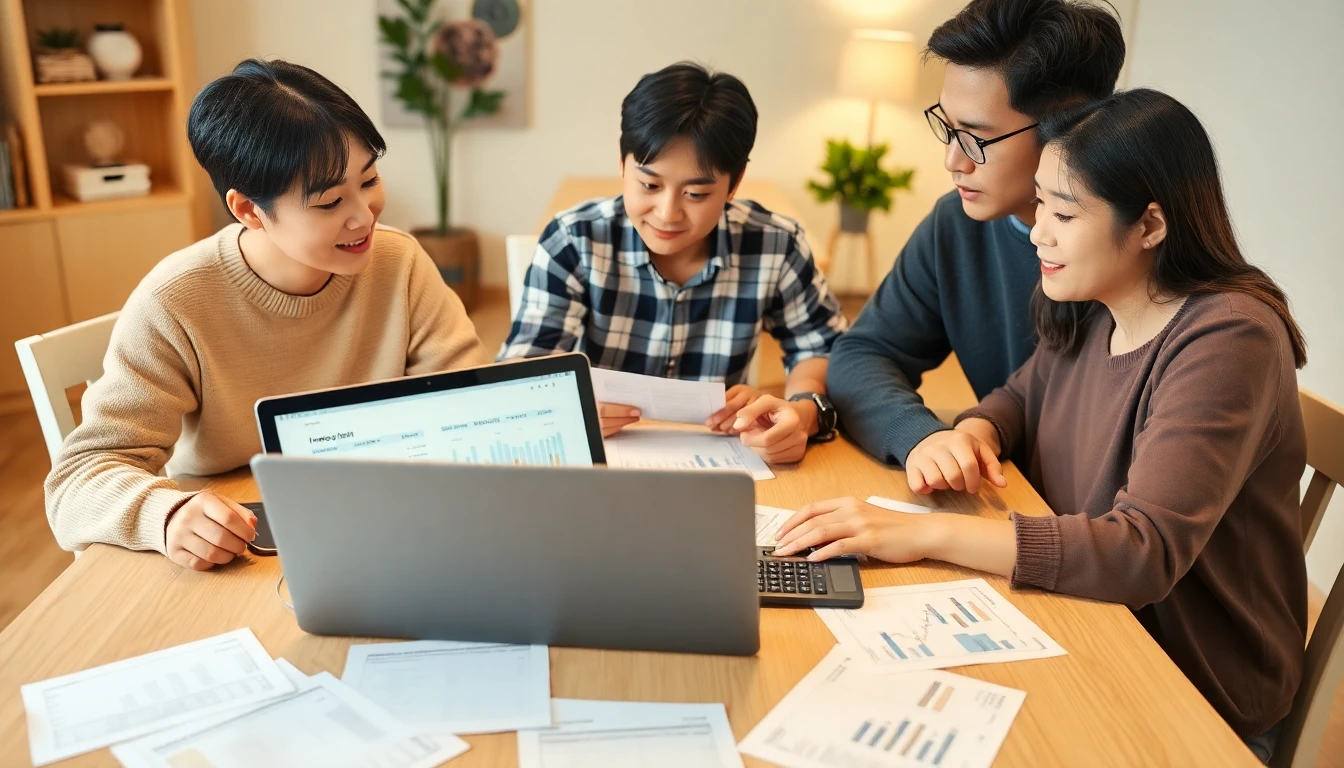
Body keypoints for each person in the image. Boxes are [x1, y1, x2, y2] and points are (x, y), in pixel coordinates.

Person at [775, 89, 1307, 761]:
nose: (1037, 233)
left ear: (1149, 225)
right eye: (1040, 206)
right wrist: (977, 432)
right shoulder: (1097, 301)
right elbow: (1021, 397)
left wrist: (924, 532)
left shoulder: (1228, 336)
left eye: (1062, 212)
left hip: (1190, 690)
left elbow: (1141, 553)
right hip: (1090, 622)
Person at [45, 59, 489, 570]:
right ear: (249, 210)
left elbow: (465, 408)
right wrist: (167, 515)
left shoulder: (400, 263)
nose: (363, 216)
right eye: (329, 203)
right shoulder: (175, 301)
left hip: (380, 526)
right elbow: (77, 481)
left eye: (369, 181)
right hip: (238, 547)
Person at [826, 0, 1125, 492]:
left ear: (1068, 129)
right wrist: (921, 438)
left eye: (976, 138)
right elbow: (863, 353)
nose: (952, 160)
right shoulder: (957, 224)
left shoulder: (1136, 254)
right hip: (1010, 501)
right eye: (948, 128)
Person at [499, 62, 848, 465]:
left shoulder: (775, 244)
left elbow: (820, 347)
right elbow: (524, 366)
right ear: (622, 163)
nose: (667, 213)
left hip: (721, 462)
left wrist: (802, 411)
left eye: (696, 194)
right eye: (649, 185)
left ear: (734, 184)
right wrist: (567, 406)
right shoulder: (575, 240)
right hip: (599, 462)